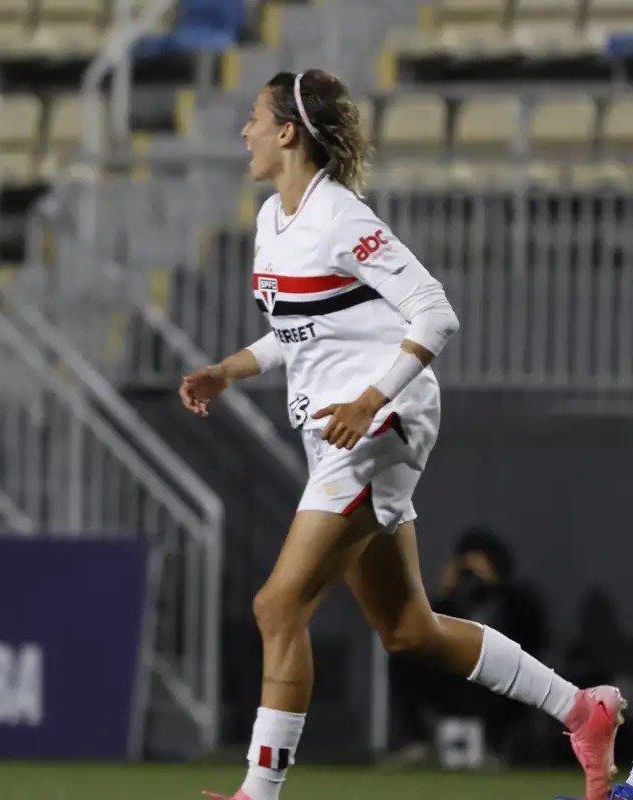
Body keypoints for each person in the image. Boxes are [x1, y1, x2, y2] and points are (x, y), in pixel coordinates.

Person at [179, 69, 623, 800]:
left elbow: (434, 314)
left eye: (254, 120)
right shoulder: (272, 220)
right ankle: (584, 710)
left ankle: (258, 795)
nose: (245, 133)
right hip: (338, 431)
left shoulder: (341, 218)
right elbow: (306, 328)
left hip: (383, 422)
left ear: (287, 131)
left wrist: (369, 400)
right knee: (407, 627)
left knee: (276, 605)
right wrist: (232, 367)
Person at [390, 528, 550, 763]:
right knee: (403, 656)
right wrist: (445, 594)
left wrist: (495, 585)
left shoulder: (517, 600)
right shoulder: (452, 601)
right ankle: (419, 741)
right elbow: (422, 633)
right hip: (452, 677)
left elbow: (532, 640)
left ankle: (497, 745)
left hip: (497, 683)